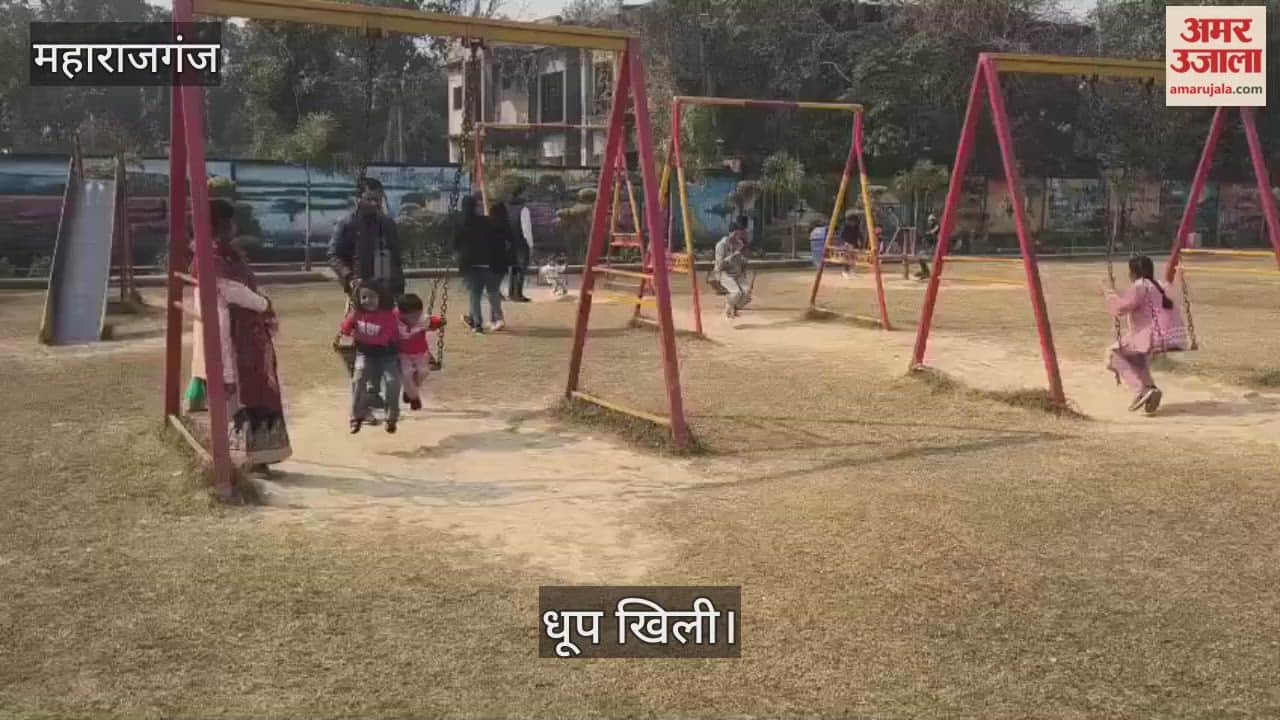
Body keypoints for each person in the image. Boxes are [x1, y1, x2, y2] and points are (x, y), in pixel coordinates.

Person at [187, 198, 291, 473]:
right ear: (219, 224)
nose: (233, 227)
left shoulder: (226, 253)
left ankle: (259, 456)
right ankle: (244, 458)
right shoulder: (210, 257)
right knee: (242, 395)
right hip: (235, 338)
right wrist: (263, 304)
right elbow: (231, 290)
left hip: (248, 336)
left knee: (257, 391)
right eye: (228, 221)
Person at [328, 177, 404, 411]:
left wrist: (399, 287)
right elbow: (333, 255)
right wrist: (349, 277)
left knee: (388, 339)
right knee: (364, 340)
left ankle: (376, 388)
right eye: (370, 199)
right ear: (358, 197)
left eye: (378, 200)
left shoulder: (388, 224)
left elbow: (397, 257)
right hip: (362, 292)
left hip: (388, 290)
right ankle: (365, 394)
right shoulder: (347, 224)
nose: (374, 204)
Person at [1103, 255, 1188, 415]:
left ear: (1133, 273)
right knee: (1136, 357)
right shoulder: (1162, 285)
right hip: (1173, 336)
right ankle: (1150, 389)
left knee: (1113, 355)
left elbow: (1121, 309)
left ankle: (1140, 390)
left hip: (1154, 336)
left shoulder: (1139, 286)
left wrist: (1109, 292)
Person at [340, 280, 401, 434]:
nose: (368, 301)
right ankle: (356, 416)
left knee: (392, 382)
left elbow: (383, 338)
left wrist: (358, 334)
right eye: (364, 297)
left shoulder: (389, 315)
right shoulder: (357, 313)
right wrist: (348, 324)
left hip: (387, 355)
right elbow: (345, 329)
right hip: (365, 354)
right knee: (358, 379)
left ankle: (391, 416)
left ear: (380, 297)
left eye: (372, 297)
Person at [454, 193, 505, 333]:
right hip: (486, 261)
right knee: (492, 291)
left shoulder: (459, 222)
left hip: (469, 263)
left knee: (474, 294)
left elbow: (455, 242)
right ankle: (498, 318)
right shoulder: (484, 221)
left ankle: (477, 323)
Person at [395, 293, 445, 412]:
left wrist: (440, 322)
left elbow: (433, 321)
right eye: (413, 316)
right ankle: (414, 398)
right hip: (401, 353)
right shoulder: (393, 318)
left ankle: (409, 391)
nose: (416, 318)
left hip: (420, 352)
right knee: (406, 374)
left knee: (424, 372)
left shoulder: (423, 319)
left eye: (418, 314)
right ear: (402, 314)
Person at [506, 188, 534, 302]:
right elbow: (526, 229)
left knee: (512, 268)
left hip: (509, 242)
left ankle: (511, 293)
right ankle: (518, 294)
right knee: (521, 268)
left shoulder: (507, 209)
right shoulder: (524, 210)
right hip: (521, 243)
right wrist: (531, 245)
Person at [716, 229, 751, 319]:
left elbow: (741, 262)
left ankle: (734, 308)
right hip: (724, 274)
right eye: (735, 234)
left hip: (737, 273)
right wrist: (732, 256)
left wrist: (743, 261)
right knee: (736, 292)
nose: (737, 237)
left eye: (738, 235)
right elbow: (720, 265)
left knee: (746, 292)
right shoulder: (721, 245)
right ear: (730, 233)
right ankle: (728, 310)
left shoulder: (739, 244)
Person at [916, 213, 939, 280]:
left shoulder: (936, 226)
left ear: (934, 221)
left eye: (931, 220)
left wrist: (925, 234)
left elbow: (932, 233)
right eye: (929, 220)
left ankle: (926, 272)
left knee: (921, 256)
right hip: (931, 248)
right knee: (920, 255)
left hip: (935, 249)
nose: (929, 222)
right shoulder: (931, 227)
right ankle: (925, 271)